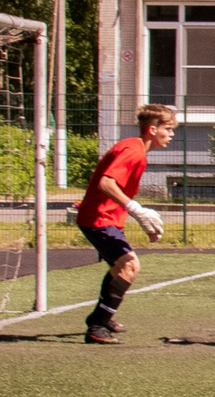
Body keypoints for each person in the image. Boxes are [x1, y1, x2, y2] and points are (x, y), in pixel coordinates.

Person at [74, 103, 173, 346]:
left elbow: (116, 191)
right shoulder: (133, 151)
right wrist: (137, 210)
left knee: (122, 267)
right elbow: (106, 184)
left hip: (106, 219)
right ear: (152, 129)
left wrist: (141, 220)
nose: (171, 135)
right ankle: (97, 325)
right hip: (97, 220)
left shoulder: (135, 149)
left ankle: (102, 319)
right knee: (129, 266)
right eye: (168, 129)